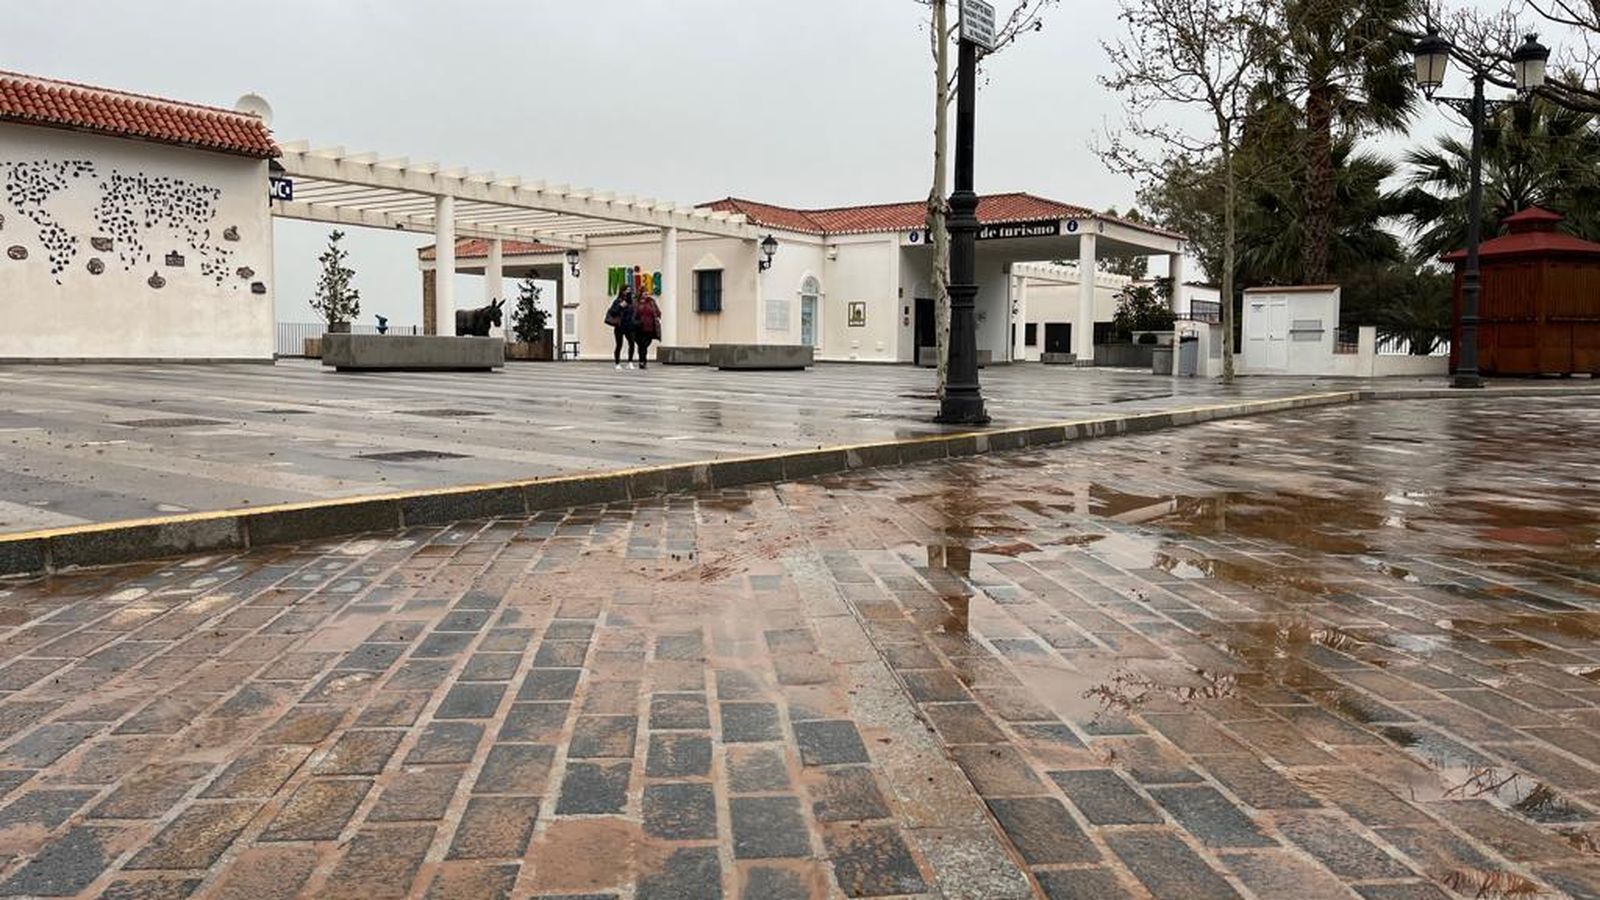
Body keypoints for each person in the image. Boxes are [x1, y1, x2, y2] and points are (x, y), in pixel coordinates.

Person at [605, 289, 635, 369]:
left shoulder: (632, 302)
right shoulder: (617, 301)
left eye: (629, 290)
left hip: (629, 326)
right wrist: (621, 305)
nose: (628, 292)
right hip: (619, 326)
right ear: (622, 291)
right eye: (626, 290)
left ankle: (630, 362)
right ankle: (617, 363)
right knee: (619, 344)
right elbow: (613, 312)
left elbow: (634, 313)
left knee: (632, 343)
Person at [633, 292, 662, 369]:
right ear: (641, 294)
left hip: (650, 327)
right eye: (644, 293)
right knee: (641, 344)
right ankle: (642, 361)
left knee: (646, 344)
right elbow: (632, 313)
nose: (646, 295)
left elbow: (657, 311)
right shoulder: (636, 302)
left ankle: (642, 360)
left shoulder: (651, 302)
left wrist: (658, 316)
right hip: (639, 327)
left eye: (647, 293)